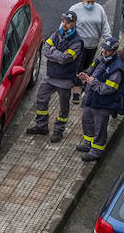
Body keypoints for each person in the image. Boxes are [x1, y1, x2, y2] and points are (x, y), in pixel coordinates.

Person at [25, 11, 83, 143]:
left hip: (65, 80)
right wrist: (55, 52)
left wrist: (53, 52)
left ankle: (58, 130)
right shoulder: (57, 33)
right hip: (50, 76)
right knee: (41, 98)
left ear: (74, 23)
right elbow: (46, 48)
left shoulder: (77, 42)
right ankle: (41, 126)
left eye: (68, 22)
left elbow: (64, 59)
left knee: (63, 108)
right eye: (63, 21)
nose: (65, 24)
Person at [77, 36, 124, 162]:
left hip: (103, 104)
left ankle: (96, 151)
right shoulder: (101, 58)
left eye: (107, 50)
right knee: (86, 121)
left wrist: (92, 82)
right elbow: (92, 69)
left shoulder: (116, 69)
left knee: (99, 128)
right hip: (91, 99)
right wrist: (85, 74)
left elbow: (108, 89)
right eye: (103, 49)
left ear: (114, 51)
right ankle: (88, 143)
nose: (104, 51)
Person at [69, 0, 110, 83]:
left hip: (93, 45)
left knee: (88, 67)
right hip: (80, 46)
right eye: (88, 2)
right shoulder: (75, 9)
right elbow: (65, 24)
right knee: (78, 67)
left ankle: (83, 83)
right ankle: (76, 86)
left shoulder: (99, 9)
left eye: (93, 2)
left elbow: (105, 25)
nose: (91, 4)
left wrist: (108, 40)